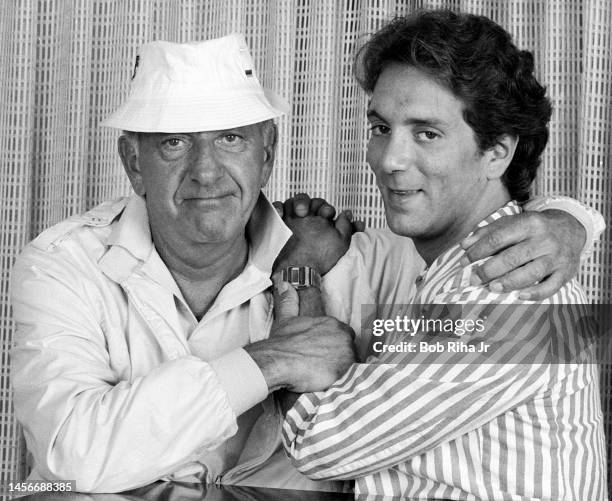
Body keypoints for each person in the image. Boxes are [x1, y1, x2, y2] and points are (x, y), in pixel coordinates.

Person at [9, 32, 600, 495]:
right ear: (133, 163)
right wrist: (275, 359)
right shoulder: (63, 266)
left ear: (268, 153)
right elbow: (71, 454)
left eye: (232, 139)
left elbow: (329, 441)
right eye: (174, 142)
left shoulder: (411, 270)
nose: (207, 171)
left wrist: (573, 221)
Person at [278, 10, 606, 499]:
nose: (389, 160)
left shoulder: (506, 293)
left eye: (426, 133)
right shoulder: (448, 273)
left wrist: (300, 278)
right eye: (381, 128)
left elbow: (317, 443)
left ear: (498, 151)